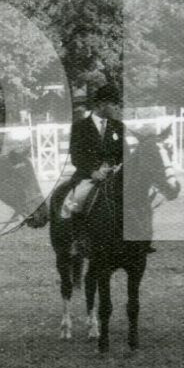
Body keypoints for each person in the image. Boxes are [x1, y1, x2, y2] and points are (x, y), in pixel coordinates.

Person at [61, 82, 126, 255]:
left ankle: (135, 240)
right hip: (87, 176)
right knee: (77, 201)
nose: (116, 108)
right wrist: (92, 172)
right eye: (113, 105)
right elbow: (76, 156)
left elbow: (123, 154)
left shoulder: (118, 126)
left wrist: (117, 167)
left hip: (114, 175)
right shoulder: (80, 127)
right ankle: (79, 239)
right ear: (102, 104)